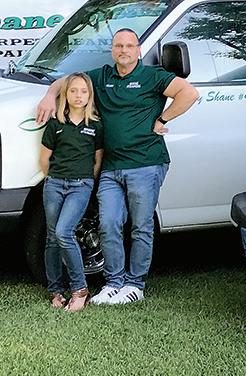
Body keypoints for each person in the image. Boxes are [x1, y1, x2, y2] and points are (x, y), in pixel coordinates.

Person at [36, 28, 199, 305]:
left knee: (141, 226)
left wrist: (163, 119)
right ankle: (114, 283)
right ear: (113, 50)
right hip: (111, 166)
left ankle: (135, 284)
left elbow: (189, 93)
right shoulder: (102, 77)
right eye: (118, 46)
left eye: (129, 46)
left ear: (138, 50)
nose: (124, 50)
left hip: (146, 162)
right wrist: (50, 95)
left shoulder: (153, 76)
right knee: (109, 223)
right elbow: (67, 82)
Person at [40, 72, 104, 312]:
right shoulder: (56, 123)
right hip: (55, 184)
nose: (79, 96)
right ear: (65, 94)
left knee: (64, 232)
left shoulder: (95, 125)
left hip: (80, 186)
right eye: (73, 91)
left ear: (89, 95)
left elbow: (97, 161)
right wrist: (53, 179)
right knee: (51, 237)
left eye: (83, 91)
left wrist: (86, 182)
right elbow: (44, 159)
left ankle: (80, 289)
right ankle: (55, 290)